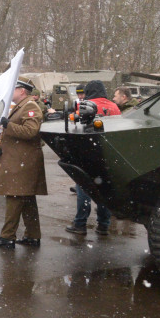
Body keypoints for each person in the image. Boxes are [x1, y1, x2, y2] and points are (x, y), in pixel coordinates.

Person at [0, 79, 47, 248]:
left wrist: (9, 125)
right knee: (27, 200)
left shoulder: (30, 106)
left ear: (22, 91)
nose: (10, 92)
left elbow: (30, 132)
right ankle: (32, 236)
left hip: (23, 162)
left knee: (14, 197)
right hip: (19, 160)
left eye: (14, 89)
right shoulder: (21, 106)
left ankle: (7, 237)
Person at [65, 79, 121, 236]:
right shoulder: (114, 107)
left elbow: (73, 126)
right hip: (108, 155)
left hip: (86, 153)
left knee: (84, 189)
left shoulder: (82, 105)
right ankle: (104, 224)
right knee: (104, 192)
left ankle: (80, 224)